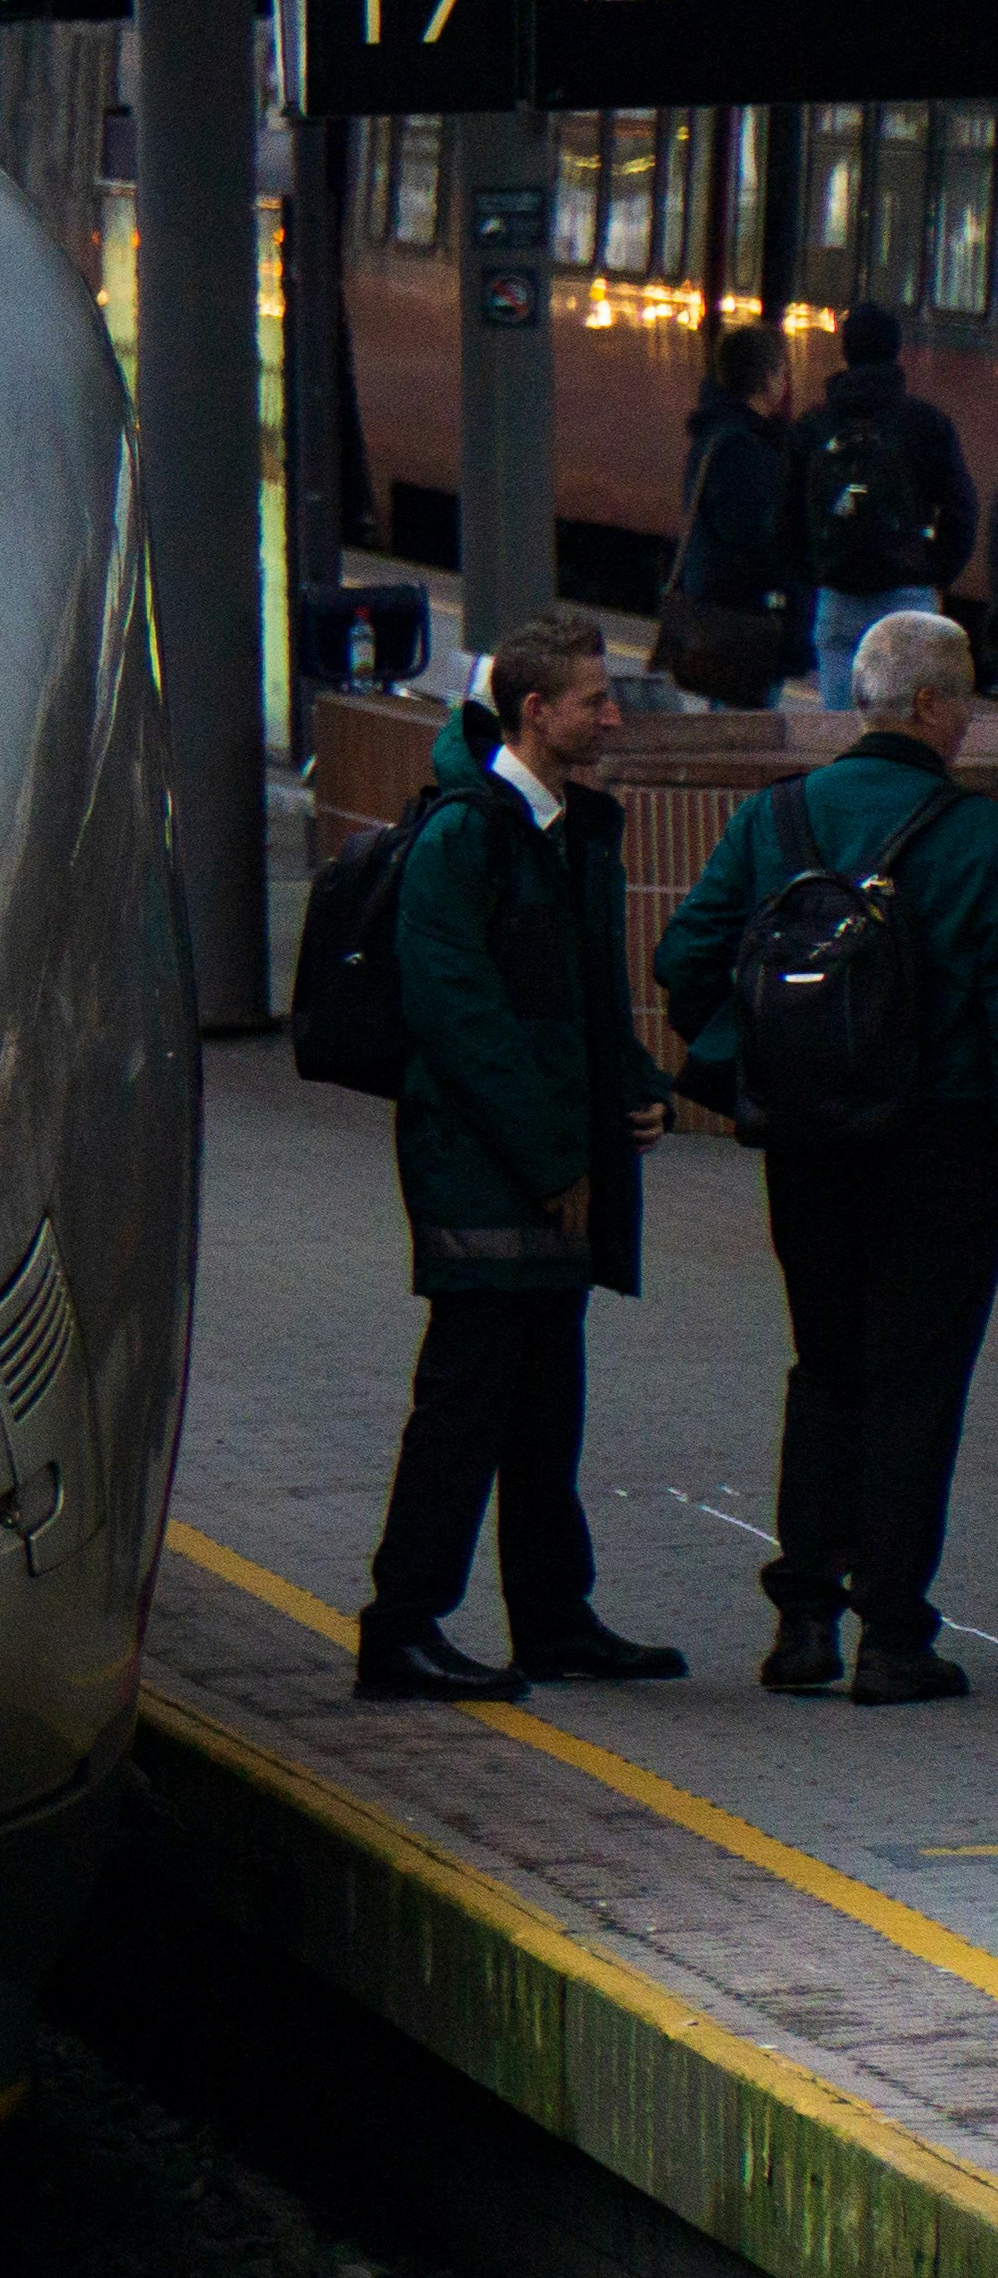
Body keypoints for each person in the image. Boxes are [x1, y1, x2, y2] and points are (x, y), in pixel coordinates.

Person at [657, 609, 998, 1704]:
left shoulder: (778, 818)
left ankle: (802, 1618)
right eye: (970, 700)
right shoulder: (978, 837)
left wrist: (743, 1067)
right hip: (942, 1146)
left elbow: (685, 954)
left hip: (805, 1143)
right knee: (916, 1382)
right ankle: (892, 1635)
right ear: (936, 708)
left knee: (827, 1364)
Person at [357, 614, 683, 1701]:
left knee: (545, 1405)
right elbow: (461, 1018)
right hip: (484, 1172)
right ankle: (399, 1626)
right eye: (595, 697)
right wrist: (555, 1156)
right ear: (536, 713)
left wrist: (632, 1086)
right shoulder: (468, 836)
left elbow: (578, 993)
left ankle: (552, 1615)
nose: (613, 713)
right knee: (465, 1405)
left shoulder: (565, 829)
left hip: (547, 1172)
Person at [794, 303, 976, 702]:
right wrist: (933, 571)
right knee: (904, 727)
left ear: (845, 352)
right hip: (908, 596)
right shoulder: (927, 424)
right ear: (897, 351)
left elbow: (785, 519)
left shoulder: (814, 426)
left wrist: (818, 570)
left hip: (838, 594)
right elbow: (962, 512)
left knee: (839, 732)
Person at [662, 323, 804, 711]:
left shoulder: (715, 435)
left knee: (727, 719)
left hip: (719, 611)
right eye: (781, 373)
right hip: (743, 622)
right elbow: (751, 534)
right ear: (767, 379)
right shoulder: (742, 446)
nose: (785, 383)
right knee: (745, 727)